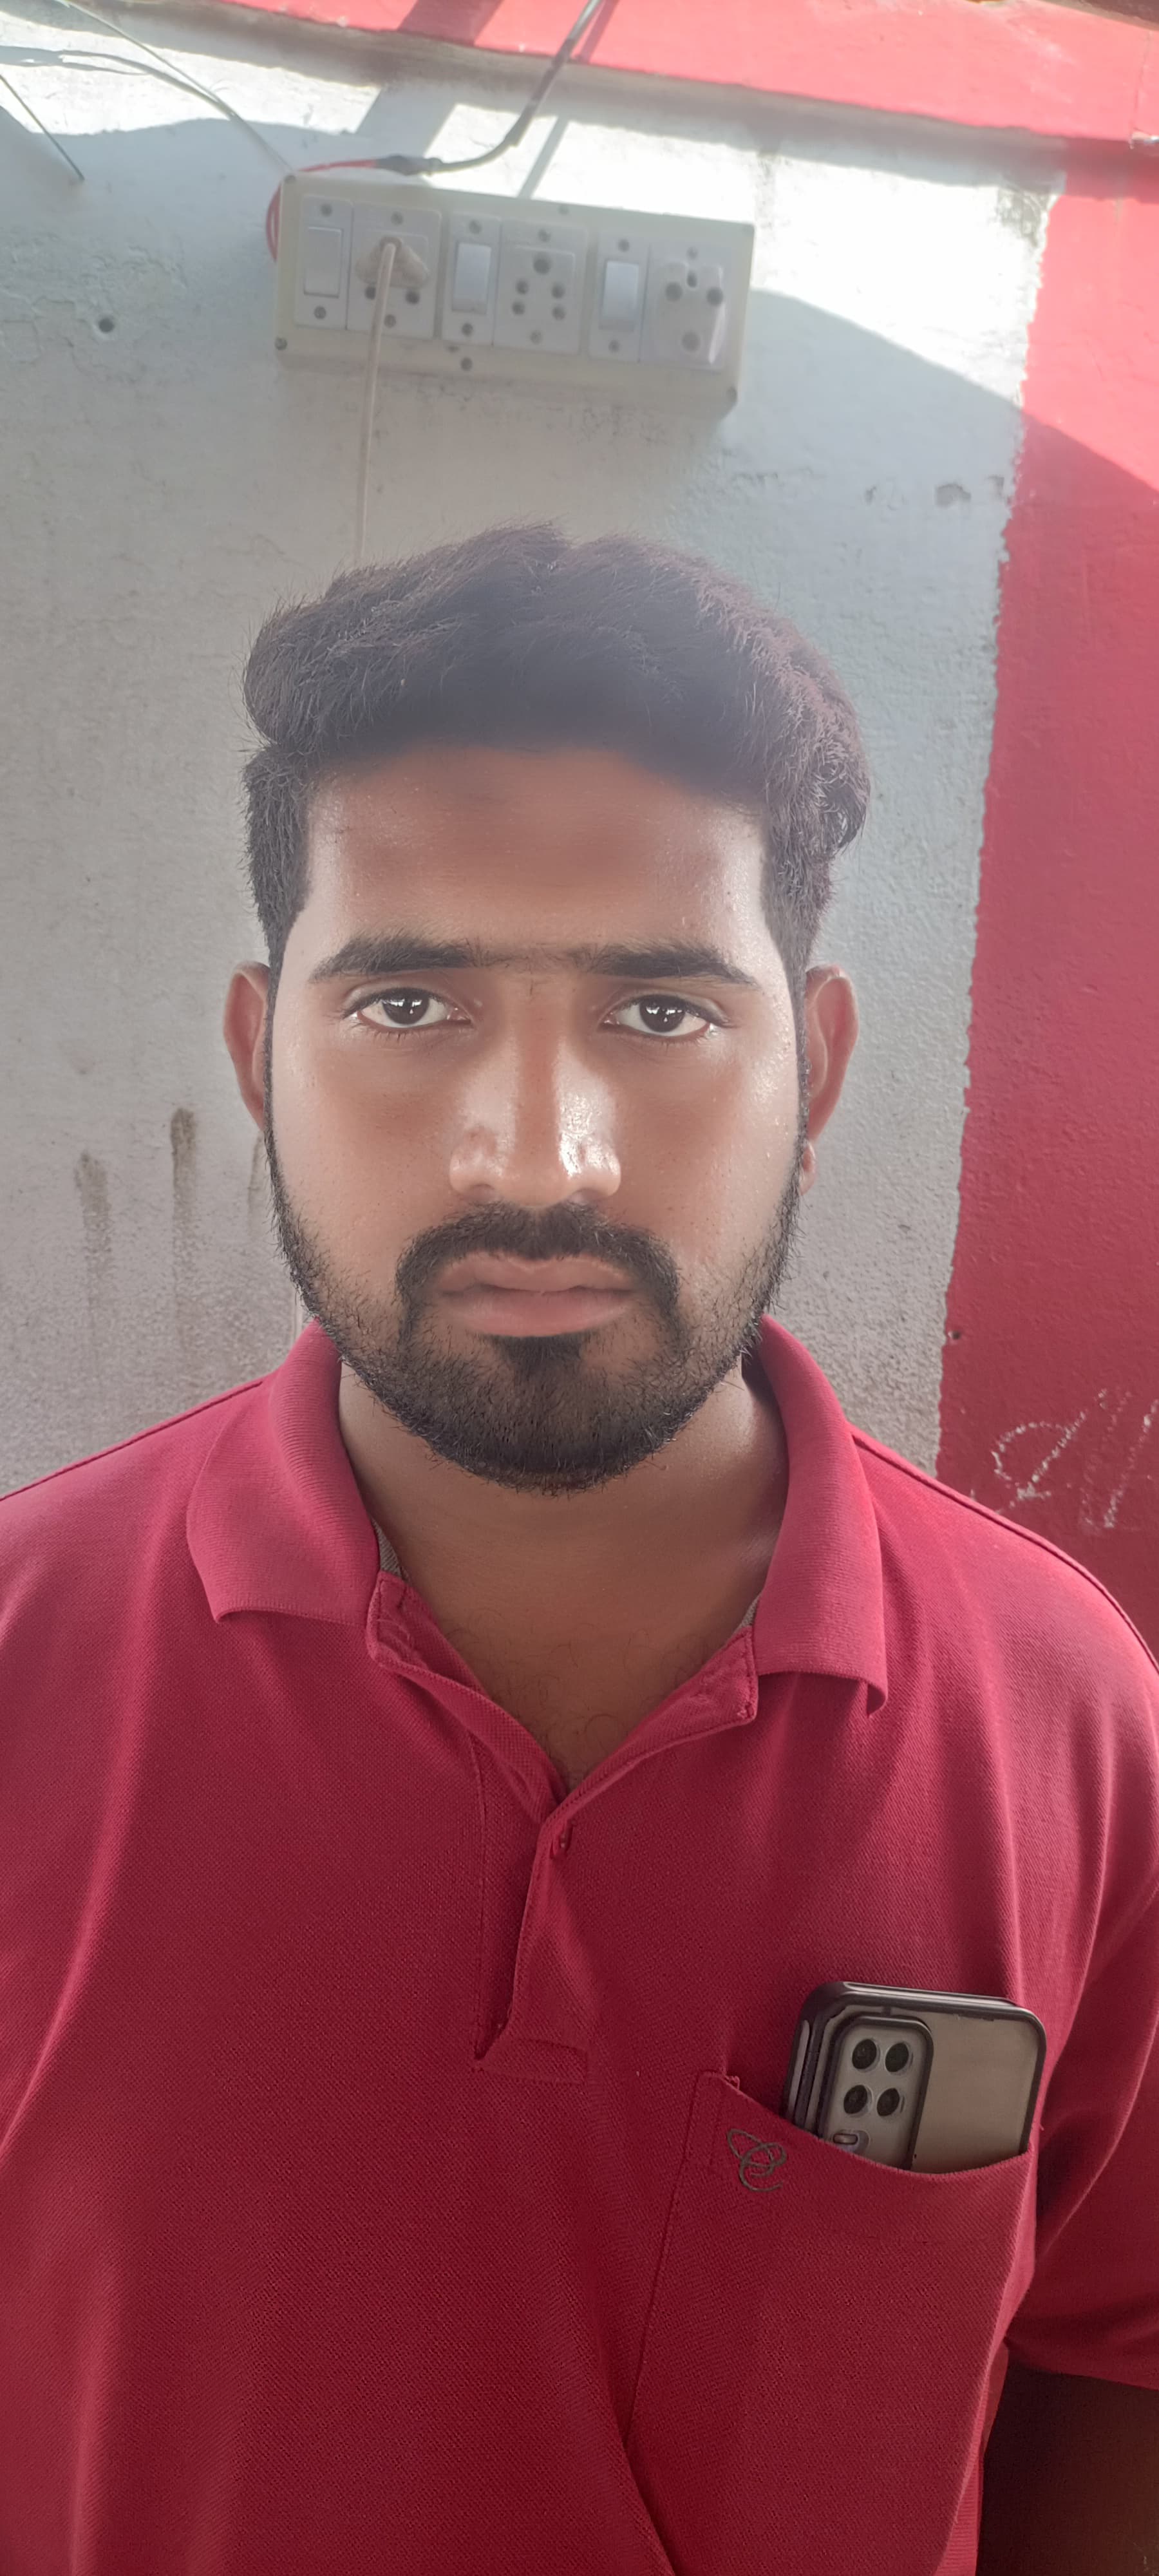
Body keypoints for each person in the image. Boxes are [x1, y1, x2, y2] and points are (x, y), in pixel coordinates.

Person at [0, 526, 1156, 2576]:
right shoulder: (21, 1662)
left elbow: (1112, 2366)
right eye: (411, 1000)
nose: (539, 1155)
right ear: (261, 1055)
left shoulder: (1070, 1717)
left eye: (659, 1009)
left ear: (818, 1066)